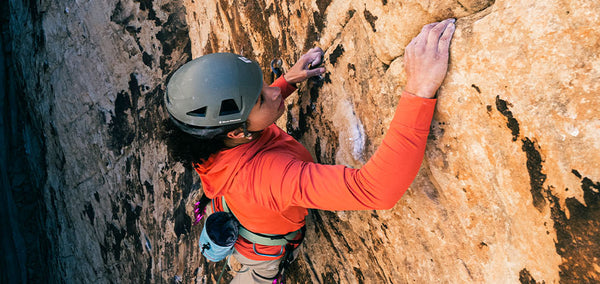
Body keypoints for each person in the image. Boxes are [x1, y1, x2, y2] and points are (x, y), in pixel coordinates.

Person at [165, 18, 457, 284]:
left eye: (265, 84)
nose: (274, 92)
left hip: (239, 203)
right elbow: (376, 190)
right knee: (257, 274)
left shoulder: (211, 143)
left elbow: (258, 106)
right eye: (261, 99)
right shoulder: (272, 176)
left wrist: (288, 81)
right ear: (237, 132)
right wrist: (419, 90)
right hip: (260, 248)